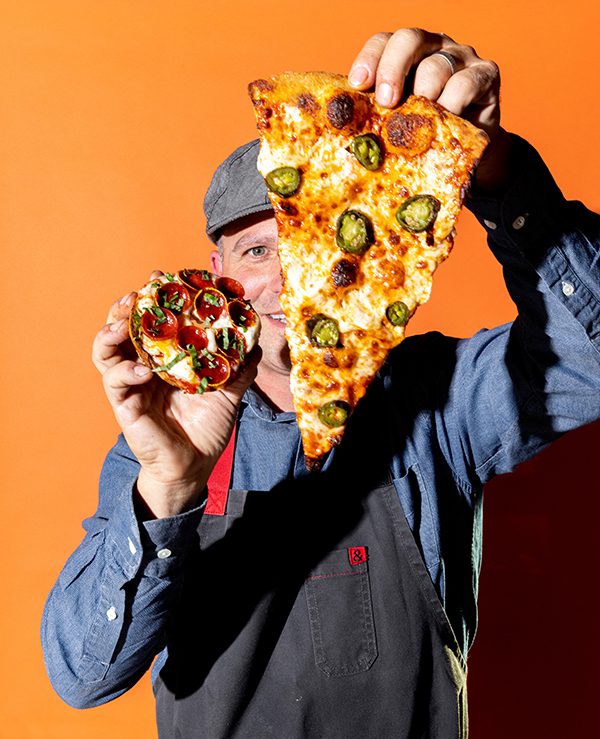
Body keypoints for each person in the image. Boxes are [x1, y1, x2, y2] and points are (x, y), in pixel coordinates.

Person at [42, 29, 600, 738]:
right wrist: (170, 488)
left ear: (364, 250)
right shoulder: (164, 448)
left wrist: (500, 176)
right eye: (257, 250)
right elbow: (81, 676)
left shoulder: (438, 401)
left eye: (316, 236)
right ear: (218, 276)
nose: (293, 280)